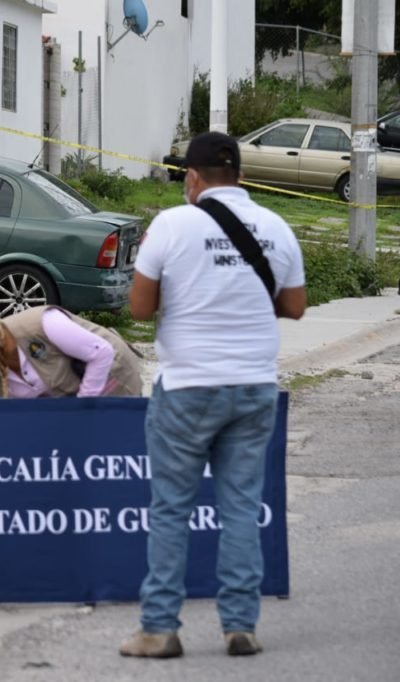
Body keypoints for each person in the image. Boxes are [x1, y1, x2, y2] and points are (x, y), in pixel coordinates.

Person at [119, 132, 306, 658]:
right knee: (241, 507)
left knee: (171, 510)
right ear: (239, 176)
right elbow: (295, 306)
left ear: (193, 178)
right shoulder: (276, 226)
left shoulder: (172, 224)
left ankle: (159, 629)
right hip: (254, 385)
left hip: (188, 387)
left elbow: (139, 308)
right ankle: (241, 624)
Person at [0, 306, 143, 398]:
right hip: (72, 400)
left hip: (114, 377)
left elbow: (101, 353)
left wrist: (81, 410)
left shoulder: (42, 324)